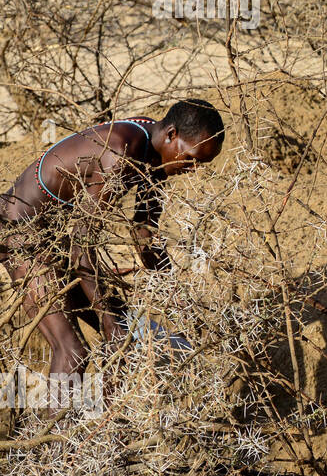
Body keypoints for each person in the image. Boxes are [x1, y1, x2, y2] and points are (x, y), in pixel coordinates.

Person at [0, 99, 224, 405]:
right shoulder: (122, 154)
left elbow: (143, 231)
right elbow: (82, 243)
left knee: (127, 333)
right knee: (73, 353)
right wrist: (107, 320)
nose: (193, 170)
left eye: (201, 165)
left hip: (54, 240)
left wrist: (178, 300)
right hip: (20, 235)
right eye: (191, 159)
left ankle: (95, 435)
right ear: (172, 134)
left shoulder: (154, 151)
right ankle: (53, 451)